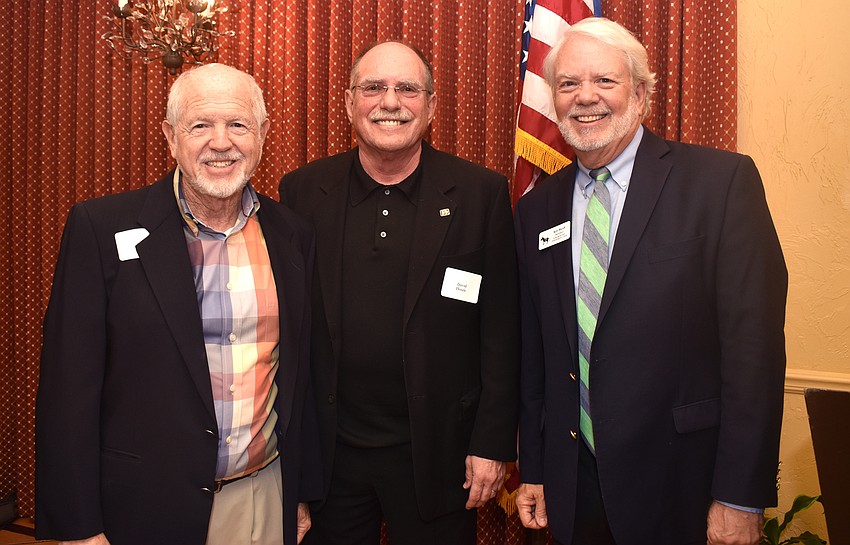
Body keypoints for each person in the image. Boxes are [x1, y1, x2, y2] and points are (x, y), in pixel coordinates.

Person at [513, 18, 787, 545]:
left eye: (605, 82)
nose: (585, 97)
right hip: (576, 489)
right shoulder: (537, 211)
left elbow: (753, 353)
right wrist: (539, 468)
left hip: (685, 486)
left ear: (640, 94)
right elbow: (537, 355)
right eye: (568, 84)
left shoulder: (719, 184)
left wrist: (739, 495)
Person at [35, 63, 321, 545]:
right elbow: (68, 391)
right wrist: (78, 526)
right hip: (144, 506)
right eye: (200, 125)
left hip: (263, 497)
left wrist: (300, 491)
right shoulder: (100, 229)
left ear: (263, 134)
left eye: (238, 125)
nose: (221, 141)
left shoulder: (292, 235)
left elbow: (301, 376)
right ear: (171, 137)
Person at [279, 41, 519, 545]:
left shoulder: (480, 194)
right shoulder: (301, 192)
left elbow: (502, 330)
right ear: (349, 103)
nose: (391, 102)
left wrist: (493, 444)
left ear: (430, 107)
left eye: (407, 89)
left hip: (440, 454)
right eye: (374, 88)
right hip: (332, 457)